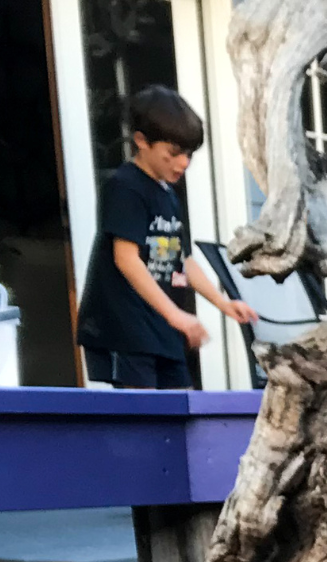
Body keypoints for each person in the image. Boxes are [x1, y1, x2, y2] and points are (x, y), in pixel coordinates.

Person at [76, 86, 255, 389]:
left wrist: (223, 303)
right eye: (173, 153)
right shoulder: (125, 188)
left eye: (188, 154)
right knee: (144, 422)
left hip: (161, 329)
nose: (183, 163)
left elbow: (181, 260)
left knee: (181, 411)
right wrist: (177, 316)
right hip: (127, 328)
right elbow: (126, 259)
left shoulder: (167, 194)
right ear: (141, 142)